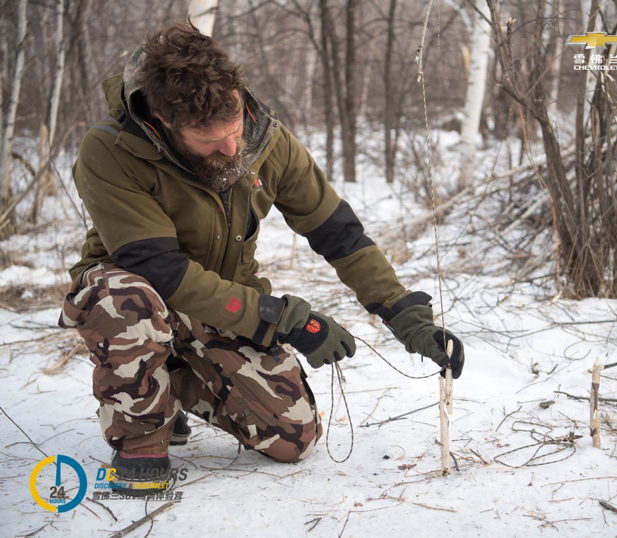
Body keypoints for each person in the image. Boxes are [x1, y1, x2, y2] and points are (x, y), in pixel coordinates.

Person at [58, 21, 464, 494]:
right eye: (209, 140)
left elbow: (338, 233)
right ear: (164, 122)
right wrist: (283, 319)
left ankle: (168, 386)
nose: (233, 148)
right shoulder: (109, 149)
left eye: (234, 127)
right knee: (125, 299)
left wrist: (402, 312)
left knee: (293, 437)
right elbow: (161, 271)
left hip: (224, 299)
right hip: (135, 289)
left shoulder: (267, 140)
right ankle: (142, 435)